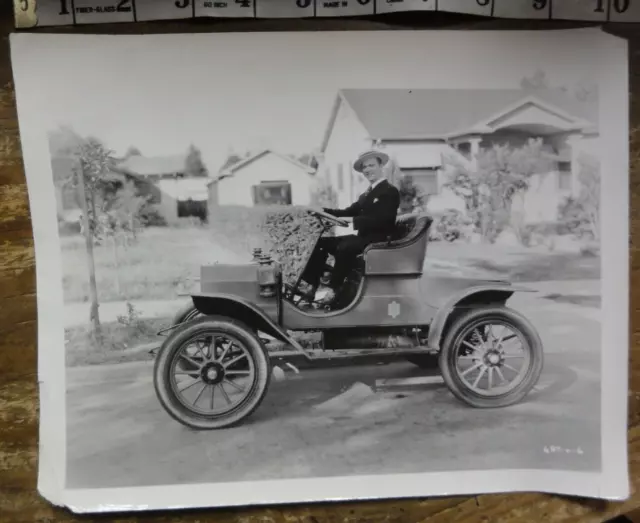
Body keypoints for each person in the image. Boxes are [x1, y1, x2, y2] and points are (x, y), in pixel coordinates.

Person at [306, 150, 400, 306]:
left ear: (381, 166)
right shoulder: (366, 195)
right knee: (321, 242)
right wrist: (323, 211)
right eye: (364, 167)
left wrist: (351, 220)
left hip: (379, 240)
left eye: (371, 165)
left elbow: (383, 220)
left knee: (346, 247)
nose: (368, 170)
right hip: (363, 238)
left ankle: (333, 289)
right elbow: (348, 211)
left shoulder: (390, 191)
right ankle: (311, 286)